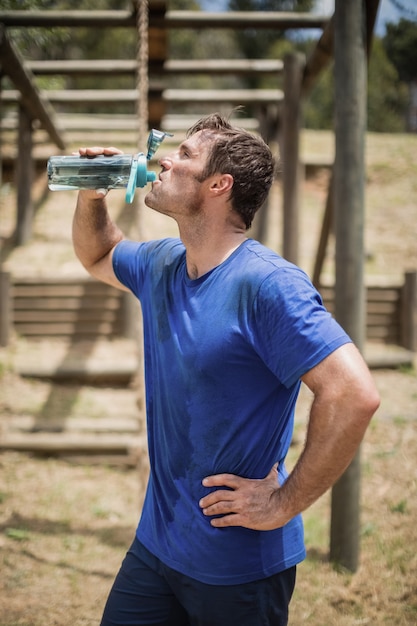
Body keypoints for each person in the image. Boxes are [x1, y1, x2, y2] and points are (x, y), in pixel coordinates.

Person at [72, 113, 380, 626]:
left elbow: (354, 394)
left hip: (239, 567)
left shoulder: (268, 285)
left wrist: (283, 502)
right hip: (157, 547)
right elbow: (98, 253)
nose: (164, 160)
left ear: (219, 185)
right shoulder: (163, 264)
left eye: (185, 155)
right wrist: (91, 197)